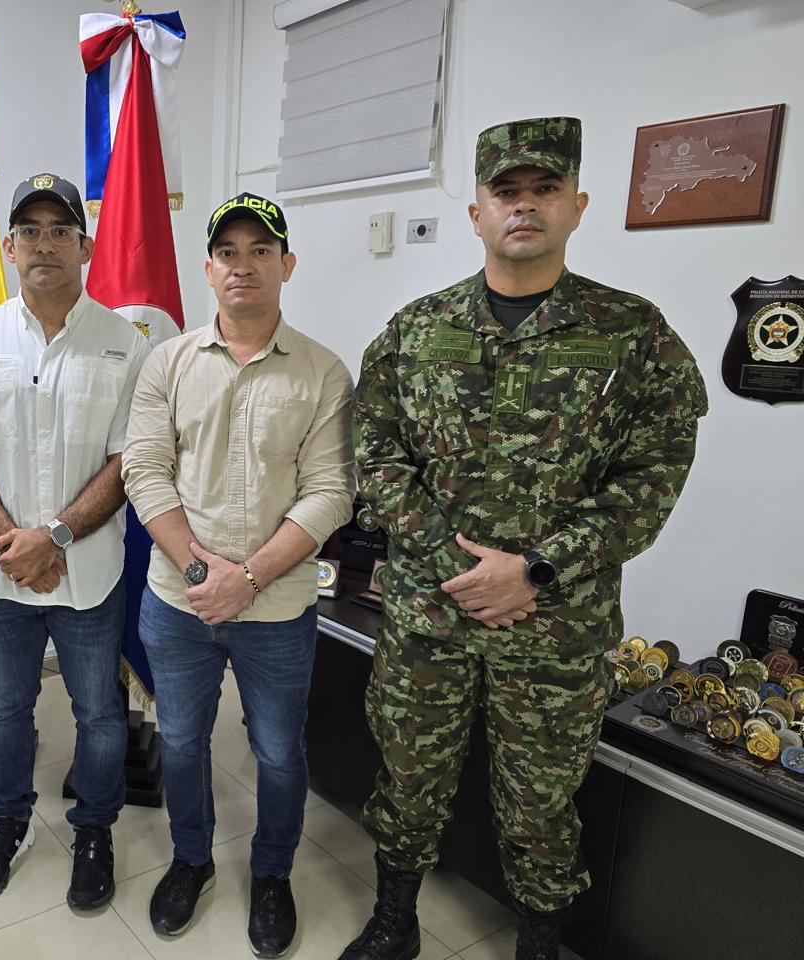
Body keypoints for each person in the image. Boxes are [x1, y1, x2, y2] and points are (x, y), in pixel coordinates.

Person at [342, 118, 707, 960]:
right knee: (406, 779)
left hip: (557, 628)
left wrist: (536, 570)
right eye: (507, 192)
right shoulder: (415, 329)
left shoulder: (632, 335)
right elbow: (377, 456)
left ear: (577, 206)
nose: (525, 207)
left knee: (542, 803)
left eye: (544, 191)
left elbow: (652, 480)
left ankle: (539, 944)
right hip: (429, 615)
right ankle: (395, 920)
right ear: (476, 213)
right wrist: (455, 566)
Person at [122, 193, 355, 958]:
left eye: (262, 250)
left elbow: (330, 493)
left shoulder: (323, 372)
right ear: (209, 268)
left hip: (279, 608)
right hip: (178, 601)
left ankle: (272, 874)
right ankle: (191, 860)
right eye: (229, 251)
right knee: (183, 743)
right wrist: (200, 568)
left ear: (286, 265)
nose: (244, 264)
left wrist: (246, 578)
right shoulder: (168, 362)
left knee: (280, 751)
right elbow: (146, 474)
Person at [0, 173, 151, 909]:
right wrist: (10, 542)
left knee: (98, 713)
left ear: (85, 246)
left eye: (60, 230)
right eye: (30, 230)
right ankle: (7, 822)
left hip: (90, 573)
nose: (44, 243)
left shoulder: (126, 344)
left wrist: (51, 537)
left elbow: (128, 460)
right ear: (8, 245)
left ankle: (94, 828)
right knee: (6, 708)